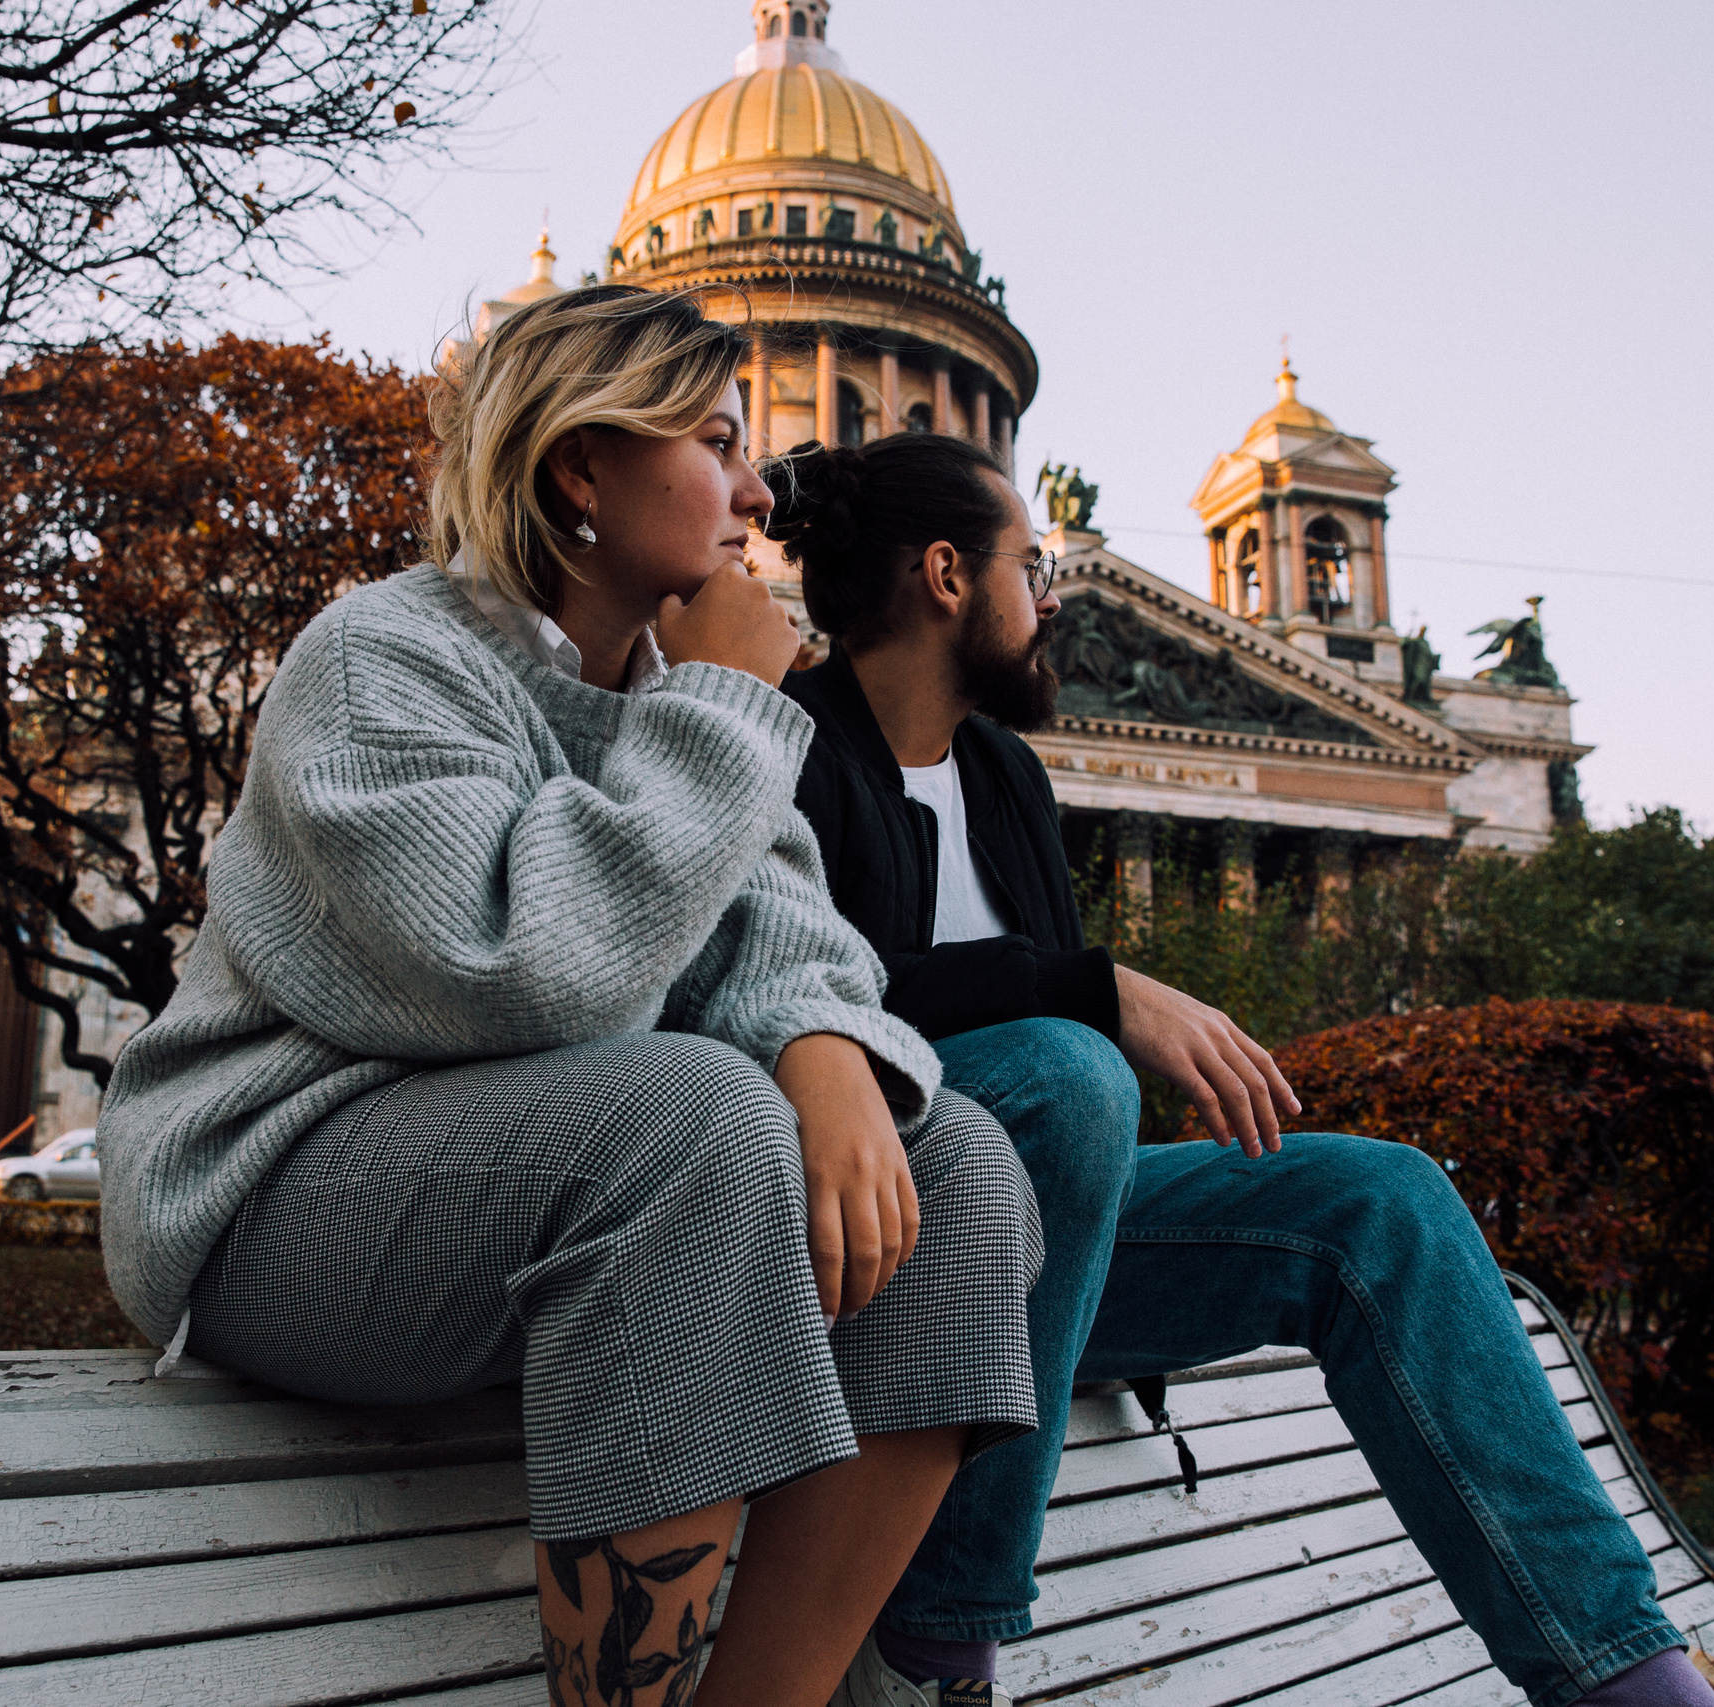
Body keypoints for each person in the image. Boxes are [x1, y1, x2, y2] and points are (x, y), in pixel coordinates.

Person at [96, 287, 1046, 1707]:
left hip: (538, 1183)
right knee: (698, 1112)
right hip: (275, 1184)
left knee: (960, 1166)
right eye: (719, 438)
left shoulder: (681, 691)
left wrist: (830, 1043)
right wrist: (725, 713)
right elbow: (525, 969)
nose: (760, 490)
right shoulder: (384, 657)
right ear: (577, 470)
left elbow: (782, 932)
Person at [762, 433, 1714, 1707]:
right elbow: (799, 987)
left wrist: (1079, 1004)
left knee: (1378, 1199)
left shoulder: (1003, 772)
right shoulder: (779, 739)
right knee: (1065, 1069)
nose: (1054, 599)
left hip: (1037, 1257)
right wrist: (1087, 988)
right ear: (946, 575)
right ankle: (937, 1649)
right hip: (857, 1242)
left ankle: (1627, 1680)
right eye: (1033, 568)